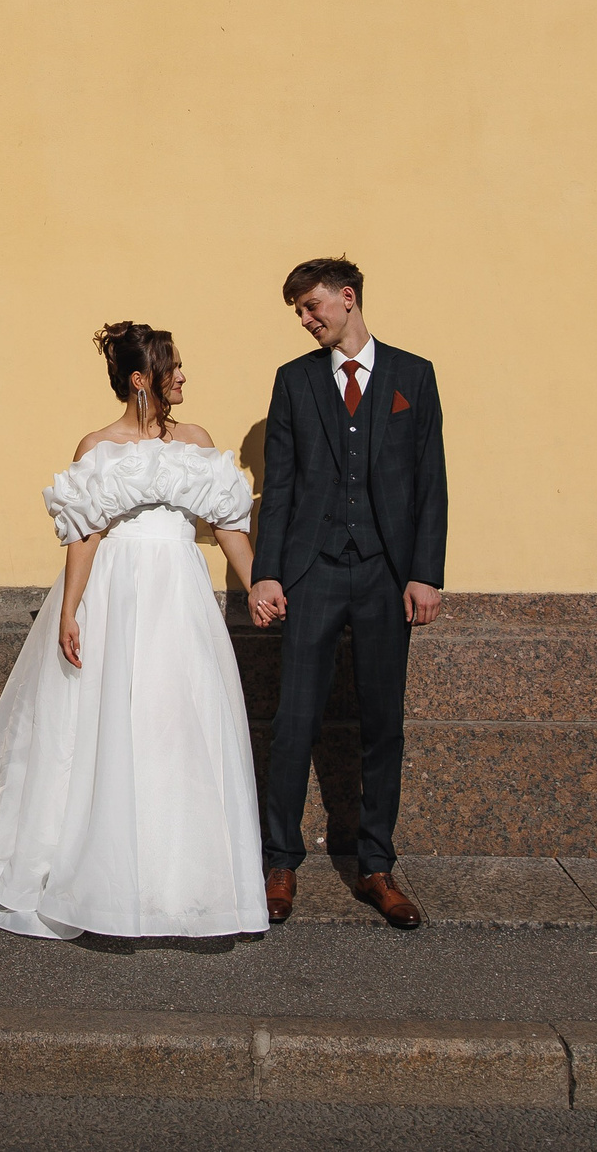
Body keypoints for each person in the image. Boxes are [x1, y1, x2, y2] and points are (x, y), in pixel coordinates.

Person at [0, 322, 268, 939]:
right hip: (117, 595)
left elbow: (228, 525)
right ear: (140, 379)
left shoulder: (197, 441)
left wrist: (255, 583)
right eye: (172, 366)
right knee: (111, 724)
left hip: (178, 598)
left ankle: (187, 882)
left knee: (178, 723)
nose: (183, 377)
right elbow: (84, 534)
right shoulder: (96, 447)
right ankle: (107, 881)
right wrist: (70, 610)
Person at [247, 257, 448, 931]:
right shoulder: (294, 381)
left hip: (388, 574)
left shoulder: (412, 376)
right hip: (313, 571)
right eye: (300, 313)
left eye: (312, 307)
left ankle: (375, 865)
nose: (306, 321)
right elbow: (278, 486)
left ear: (347, 297)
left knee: (382, 721)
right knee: (294, 719)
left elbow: (430, 481)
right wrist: (267, 571)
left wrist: (426, 571)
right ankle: (280, 859)